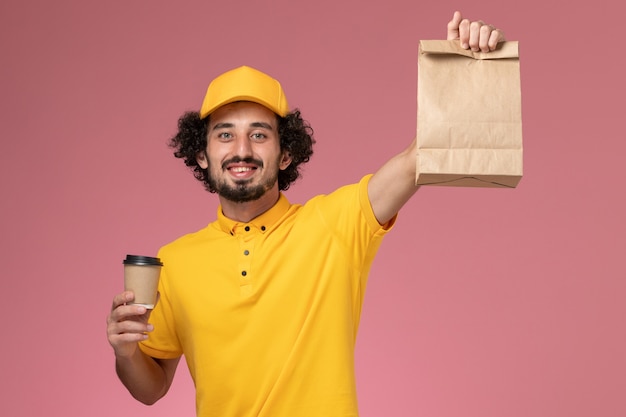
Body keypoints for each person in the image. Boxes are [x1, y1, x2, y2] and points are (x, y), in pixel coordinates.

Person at [107, 11, 505, 417]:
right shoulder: (175, 261)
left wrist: (465, 67)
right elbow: (151, 389)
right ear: (201, 154)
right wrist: (125, 353)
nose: (241, 149)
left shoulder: (335, 224)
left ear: (286, 154)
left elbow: (417, 159)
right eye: (224, 134)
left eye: (259, 134)